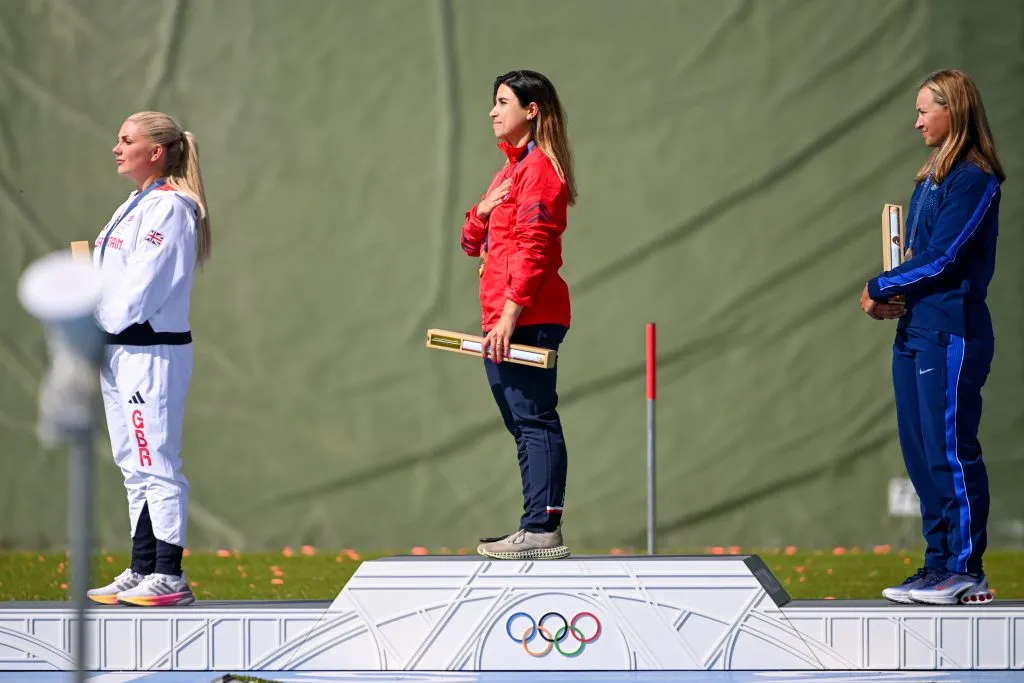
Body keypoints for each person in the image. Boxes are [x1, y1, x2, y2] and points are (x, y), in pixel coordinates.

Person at [861, 69, 1004, 605]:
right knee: (920, 453)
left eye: (925, 110)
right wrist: (893, 297)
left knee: (949, 450)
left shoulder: (974, 177)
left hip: (952, 332)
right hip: (916, 329)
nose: (917, 120)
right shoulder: (931, 179)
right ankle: (938, 563)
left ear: (955, 111)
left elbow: (943, 259)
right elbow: (918, 259)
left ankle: (965, 568)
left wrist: (878, 285)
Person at [86, 111, 211, 606]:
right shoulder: (137, 203)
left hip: (148, 350)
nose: (116, 148)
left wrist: (99, 324)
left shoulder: (172, 208)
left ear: (155, 151)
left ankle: (169, 573)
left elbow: (142, 286)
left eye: (126, 140)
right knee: (132, 462)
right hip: (118, 349)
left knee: (156, 460)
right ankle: (142, 567)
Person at [460, 70, 577, 560]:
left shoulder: (539, 171)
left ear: (531, 110)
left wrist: (510, 315)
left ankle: (542, 528)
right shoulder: (508, 172)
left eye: (503, 101)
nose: (492, 111)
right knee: (522, 422)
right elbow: (470, 244)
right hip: (501, 318)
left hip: (527, 316)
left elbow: (535, 249)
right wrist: (482, 210)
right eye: (493, 101)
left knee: (534, 419)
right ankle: (533, 526)